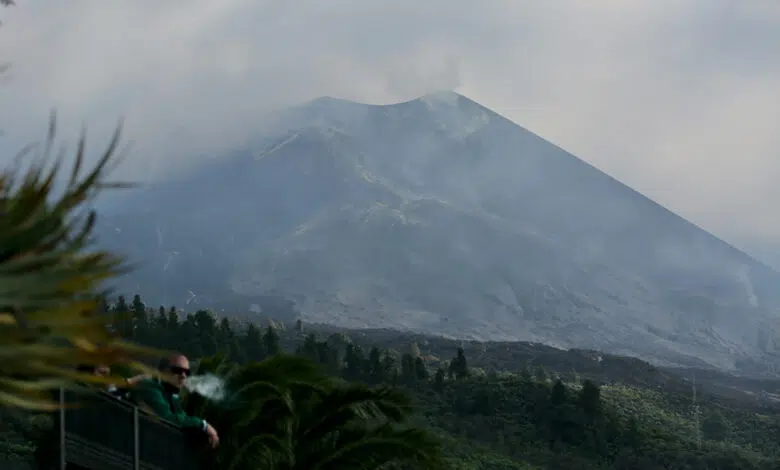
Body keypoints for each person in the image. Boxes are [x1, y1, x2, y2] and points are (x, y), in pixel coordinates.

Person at [129, 353, 219, 448]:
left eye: (187, 372)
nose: (183, 376)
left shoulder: (172, 395)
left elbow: (182, 418)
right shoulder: (150, 387)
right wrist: (203, 425)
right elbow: (168, 418)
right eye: (178, 370)